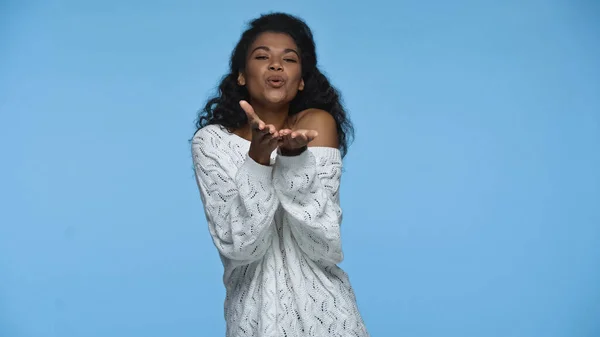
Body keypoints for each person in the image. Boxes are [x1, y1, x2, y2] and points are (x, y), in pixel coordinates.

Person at [191, 12, 369, 337]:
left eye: (288, 59)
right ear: (242, 76)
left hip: (331, 320)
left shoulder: (316, 125)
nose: (276, 65)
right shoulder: (212, 141)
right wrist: (258, 159)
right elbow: (241, 248)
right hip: (254, 321)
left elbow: (324, 245)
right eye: (262, 57)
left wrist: (293, 159)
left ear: (300, 80)